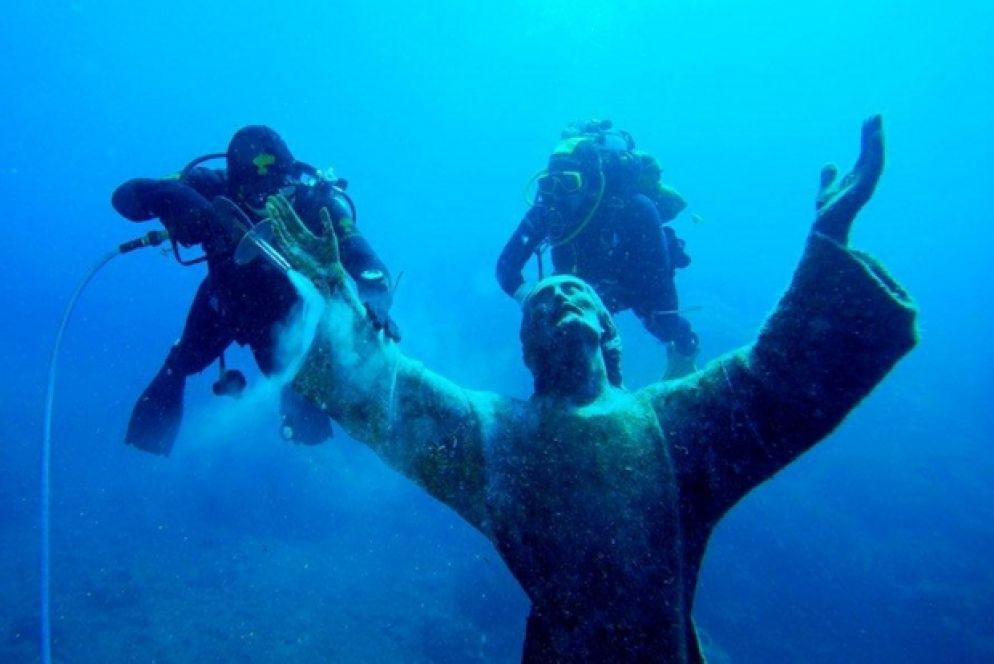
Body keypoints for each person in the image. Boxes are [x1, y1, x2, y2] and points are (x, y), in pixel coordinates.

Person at [271, 116, 916, 662]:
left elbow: (774, 378)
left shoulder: (674, 423)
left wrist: (825, 250)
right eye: (543, 305)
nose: (559, 301)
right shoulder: (494, 436)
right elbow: (386, 392)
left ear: (609, 334)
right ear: (529, 349)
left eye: (574, 293)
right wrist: (333, 304)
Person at [111, 125, 399, 455]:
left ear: (290, 177)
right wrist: (172, 198)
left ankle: (315, 435)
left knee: (299, 388)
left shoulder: (314, 204)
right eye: (255, 194)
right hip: (222, 302)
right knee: (180, 364)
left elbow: (369, 265)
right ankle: (149, 440)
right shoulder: (212, 186)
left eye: (277, 189)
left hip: (287, 319)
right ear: (235, 183)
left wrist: (375, 301)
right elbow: (125, 196)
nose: (267, 202)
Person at [496, 119, 699, 379]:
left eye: (569, 183)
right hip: (581, 283)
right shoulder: (547, 211)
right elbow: (505, 266)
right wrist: (528, 297)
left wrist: (604, 299)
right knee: (567, 331)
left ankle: (685, 352)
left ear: (592, 180)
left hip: (634, 277)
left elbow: (654, 275)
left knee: (664, 325)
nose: (558, 195)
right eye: (550, 185)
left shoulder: (637, 207)